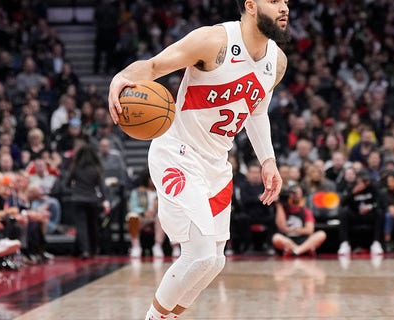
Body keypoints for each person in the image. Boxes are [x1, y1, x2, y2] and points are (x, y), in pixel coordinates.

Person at [107, 1, 288, 318]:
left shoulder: (278, 61)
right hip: (178, 154)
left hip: (217, 165)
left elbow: (257, 110)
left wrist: (268, 160)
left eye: (286, 1)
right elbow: (152, 67)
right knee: (200, 254)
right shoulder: (213, 41)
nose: (284, 7)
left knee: (215, 261)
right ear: (250, 5)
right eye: (274, 0)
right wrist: (121, 77)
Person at [66, 145, 110, 260]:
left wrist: (75, 188)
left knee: (81, 226)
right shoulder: (96, 168)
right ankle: (93, 249)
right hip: (92, 200)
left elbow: (67, 183)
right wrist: (105, 200)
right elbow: (102, 187)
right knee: (93, 226)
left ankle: (84, 250)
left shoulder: (75, 167)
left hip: (78, 199)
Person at [272, 185, 327, 256]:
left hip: (304, 240)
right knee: (276, 237)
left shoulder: (305, 211)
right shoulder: (283, 210)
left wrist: (290, 230)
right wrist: (278, 205)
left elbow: (309, 230)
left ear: (302, 196)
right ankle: (303, 250)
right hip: (288, 239)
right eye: (293, 193)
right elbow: (282, 228)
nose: (295, 195)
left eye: (297, 193)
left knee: (321, 234)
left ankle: (296, 250)